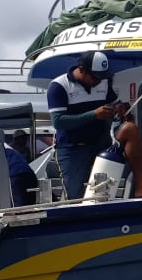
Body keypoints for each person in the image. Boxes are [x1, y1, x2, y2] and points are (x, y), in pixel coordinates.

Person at [46, 51, 119, 200]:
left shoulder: (104, 81)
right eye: (96, 77)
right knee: (75, 196)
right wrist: (94, 115)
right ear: (82, 69)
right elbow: (58, 121)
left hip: (99, 143)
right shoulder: (59, 86)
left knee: (104, 193)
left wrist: (119, 108)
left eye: (103, 77)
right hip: (72, 148)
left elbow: (114, 103)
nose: (99, 81)